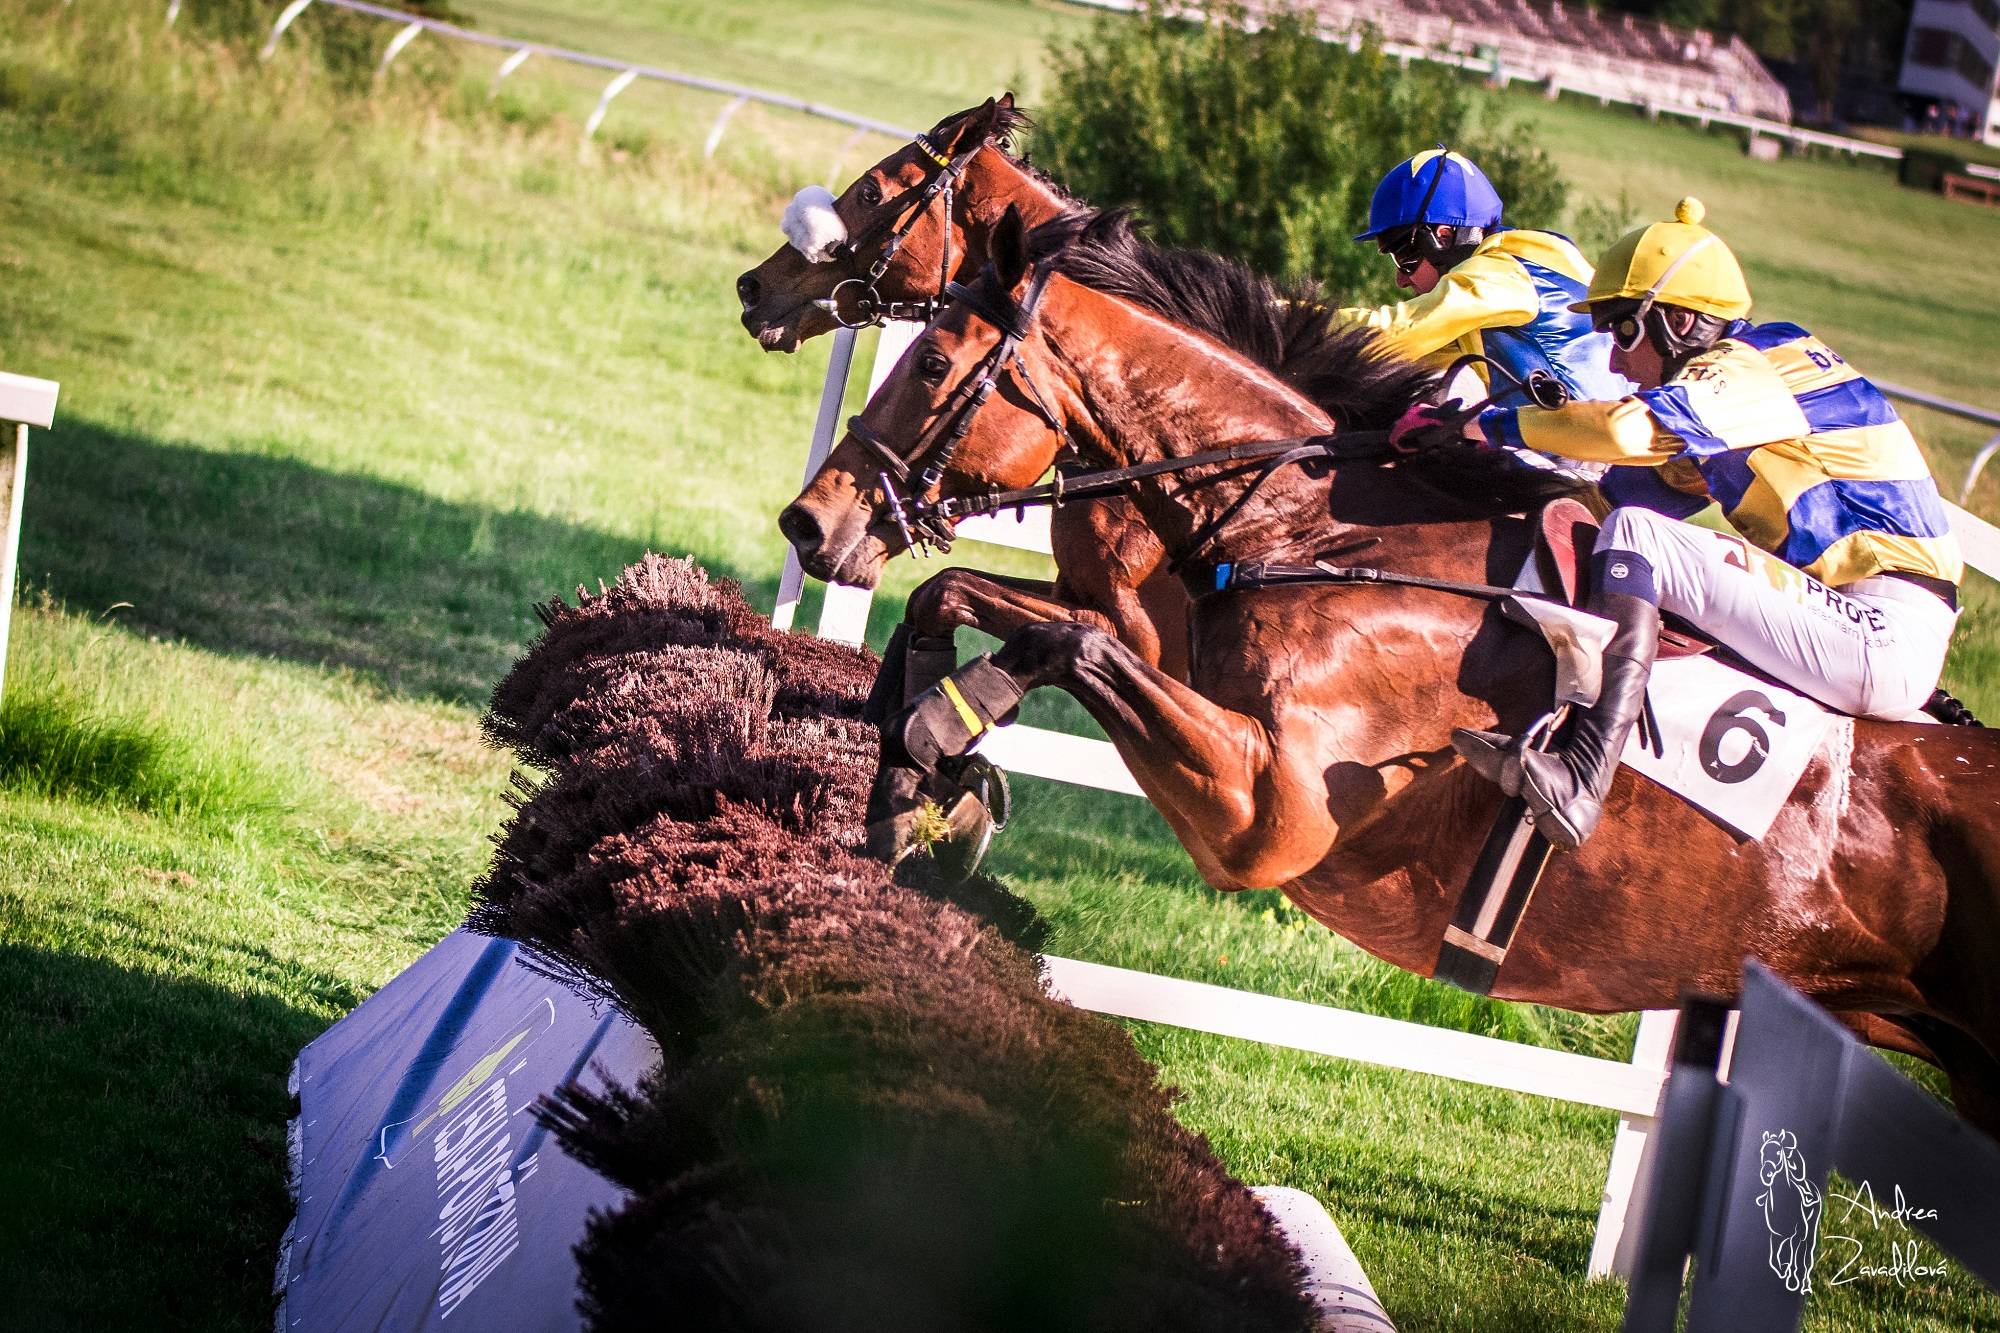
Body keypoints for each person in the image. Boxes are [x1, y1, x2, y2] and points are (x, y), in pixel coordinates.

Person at [1401, 197, 1963, 849]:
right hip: (1863, 621)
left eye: (1621, 334)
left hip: (1879, 628)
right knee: (1625, 530)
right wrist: (1463, 474)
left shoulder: (1750, 366)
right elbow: (1597, 502)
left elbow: (1623, 433)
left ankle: (1582, 776)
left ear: (1681, 321)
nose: (1615, 365)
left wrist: (1485, 423)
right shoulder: (1730, 408)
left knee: (1638, 535)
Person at [1337, 148, 1634, 410]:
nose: (1401, 280)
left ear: (1442, 237)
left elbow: (1395, 333)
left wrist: (1308, 319)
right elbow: (1409, 356)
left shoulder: (1500, 273)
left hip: (1568, 450)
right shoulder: (1531, 258)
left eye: (1403, 257)